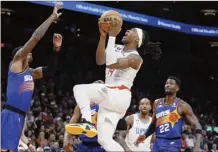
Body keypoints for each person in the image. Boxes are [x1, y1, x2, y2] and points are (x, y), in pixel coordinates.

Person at [70, 19, 162, 151]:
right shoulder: (116, 47)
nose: (128, 30)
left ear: (137, 38)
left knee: (79, 89)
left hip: (118, 93)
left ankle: (87, 121)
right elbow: (100, 60)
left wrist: (112, 36)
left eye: (132, 31)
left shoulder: (136, 58)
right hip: (110, 99)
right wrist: (103, 37)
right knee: (104, 140)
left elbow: (111, 63)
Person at [1, 3, 63, 151]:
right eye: (25, 50)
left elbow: (50, 71)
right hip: (11, 115)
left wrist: (56, 49)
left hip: (21, 117)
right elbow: (35, 38)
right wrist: (52, 17)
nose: (28, 51)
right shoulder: (16, 63)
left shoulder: (31, 72)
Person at [135, 76, 202, 152]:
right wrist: (145, 135)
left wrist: (197, 146)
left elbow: (197, 125)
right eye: (166, 83)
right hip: (158, 142)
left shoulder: (182, 105)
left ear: (177, 88)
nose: (168, 85)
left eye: (171, 83)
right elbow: (153, 124)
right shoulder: (157, 103)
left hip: (173, 144)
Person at [64, 80, 105, 152]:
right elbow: (72, 122)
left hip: (100, 145)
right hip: (84, 145)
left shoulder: (106, 105)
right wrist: (66, 139)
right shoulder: (81, 104)